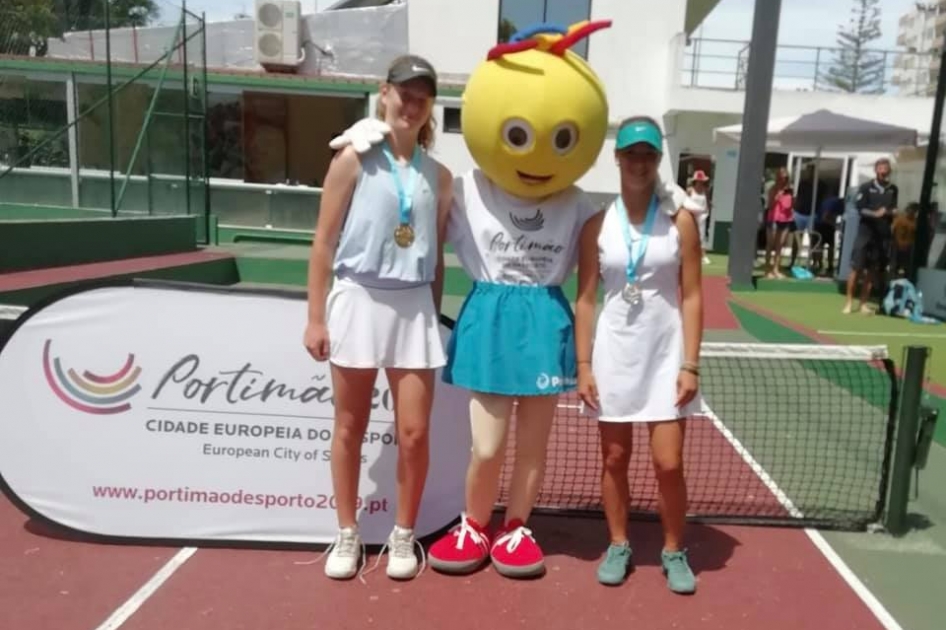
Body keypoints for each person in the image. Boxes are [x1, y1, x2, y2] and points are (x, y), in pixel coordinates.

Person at [303, 54, 454, 581]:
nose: (411, 105)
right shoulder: (352, 158)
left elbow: (433, 258)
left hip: (413, 307)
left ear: (430, 106)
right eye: (404, 93)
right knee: (350, 425)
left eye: (422, 97)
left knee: (414, 433)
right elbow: (323, 243)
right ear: (383, 92)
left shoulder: (441, 177)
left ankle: (403, 536)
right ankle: (347, 534)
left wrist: (431, 318)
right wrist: (316, 318)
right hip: (358, 299)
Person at [575, 116, 703, 594]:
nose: (640, 163)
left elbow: (692, 296)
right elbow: (586, 298)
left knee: (668, 462)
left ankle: (673, 550)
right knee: (614, 457)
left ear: (657, 160)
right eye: (632, 154)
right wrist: (584, 364)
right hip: (614, 353)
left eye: (649, 154)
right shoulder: (596, 226)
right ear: (617, 159)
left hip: (667, 353)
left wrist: (691, 362)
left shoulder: (680, 222)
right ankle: (619, 543)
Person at [844, 158, 898, 314]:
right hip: (865, 233)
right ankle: (848, 302)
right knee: (856, 268)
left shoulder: (893, 189)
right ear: (876, 170)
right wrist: (875, 214)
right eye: (880, 169)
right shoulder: (866, 187)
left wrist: (887, 212)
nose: (883, 172)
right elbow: (859, 208)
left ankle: (863, 303)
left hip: (882, 235)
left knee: (872, 270)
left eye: (886, 169)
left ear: (889, 171)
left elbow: (894, 209)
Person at [763, 167, 794, 279]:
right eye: (781, 178)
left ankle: (776, 269)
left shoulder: (790, 190)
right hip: (773, 219)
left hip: (786, 219)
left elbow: (792, 205)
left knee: (779, 246)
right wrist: (777, 197)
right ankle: (767, 269)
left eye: (785, 178)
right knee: (770, 245)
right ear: (778, 178)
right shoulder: (773, 189)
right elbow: (770, 205)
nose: (783, 180)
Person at [686, 170, 712, 265]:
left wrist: (708, 209)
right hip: (691, 215)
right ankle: (688, 255)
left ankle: (703, 256)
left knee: (701, 236)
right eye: (698, 180)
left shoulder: (705, 190)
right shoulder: (690, 190)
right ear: (695, 181)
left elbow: (708, 202)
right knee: (689, 235)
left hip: (702, 216)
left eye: (702, 181)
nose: (700, 182)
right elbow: (685, 201)